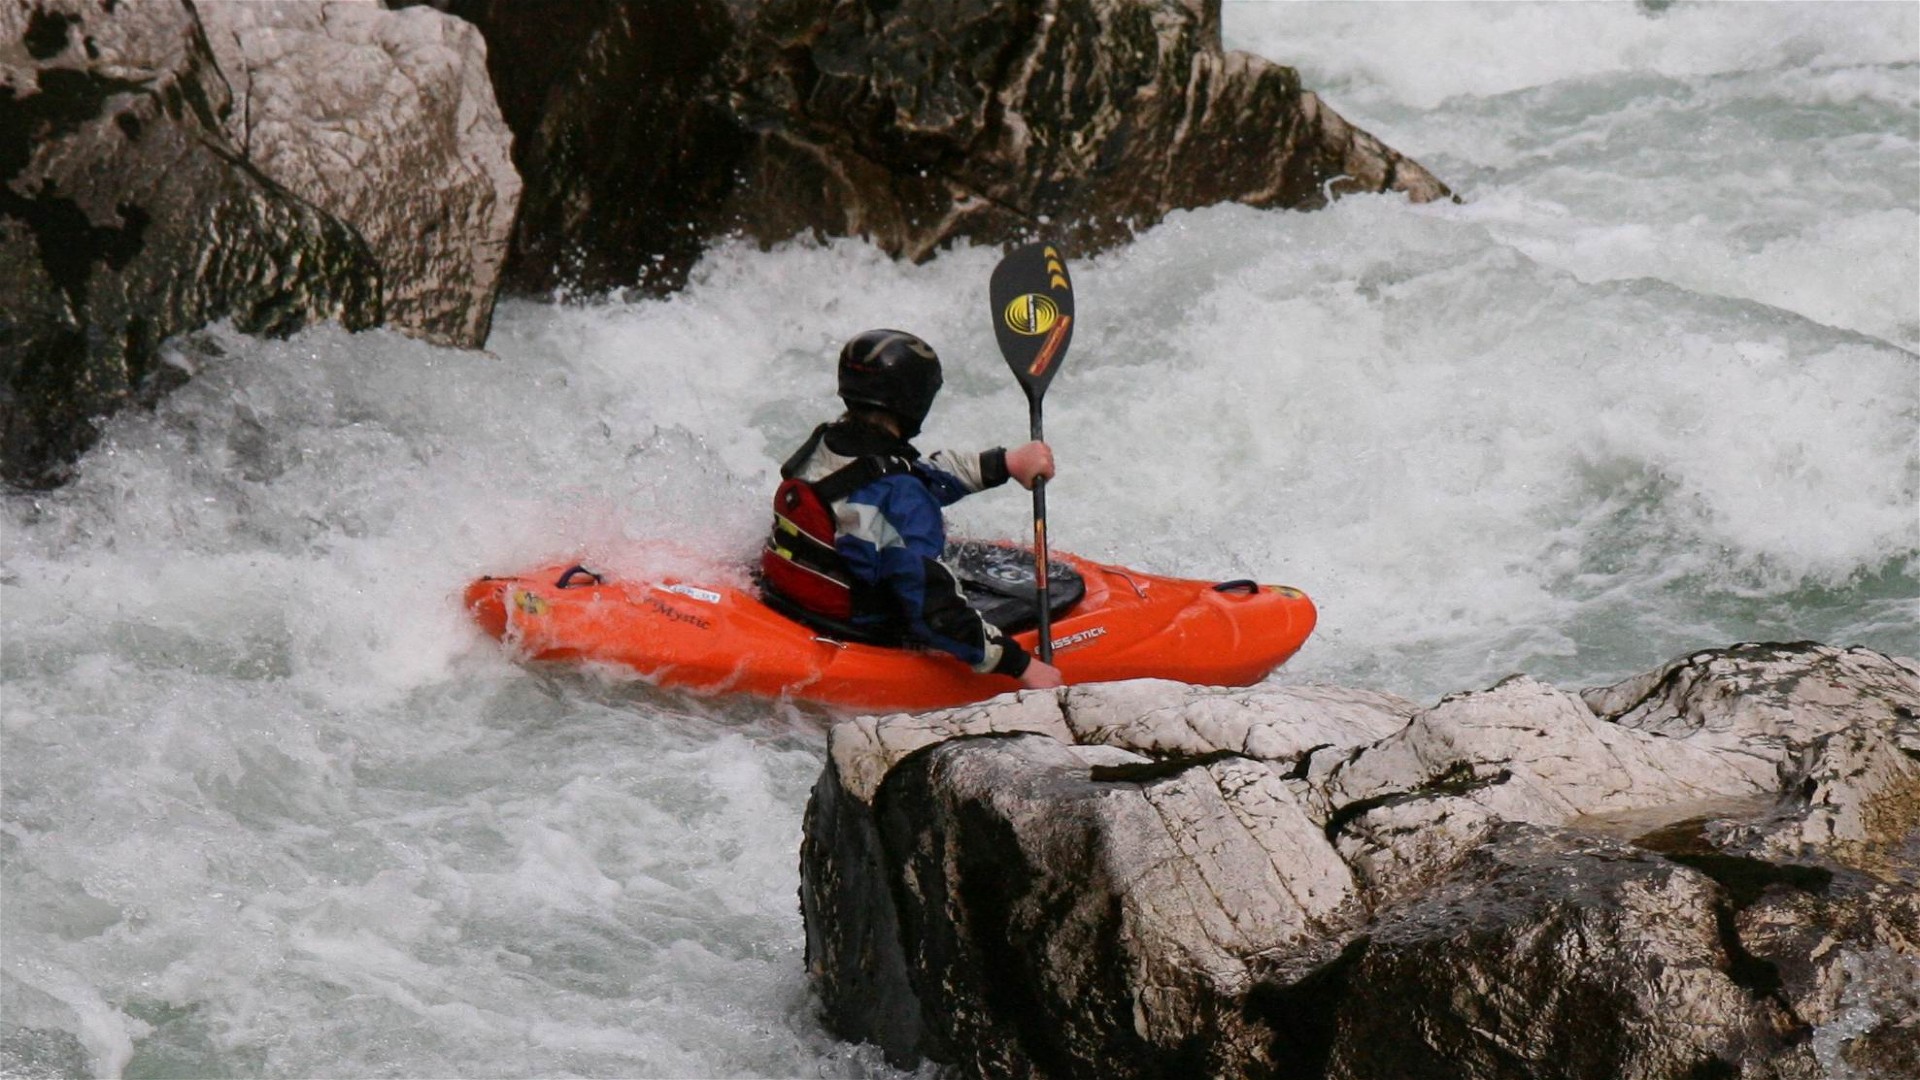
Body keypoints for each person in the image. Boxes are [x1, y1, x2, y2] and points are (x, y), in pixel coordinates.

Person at [762, 329, 1065, 690]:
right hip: (859, 623)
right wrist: (1020, 666)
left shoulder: (828, 442)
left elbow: (905, 476)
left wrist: (1005, 463)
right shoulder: (902, 497)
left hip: (796, 594)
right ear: (915, 401)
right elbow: (933, 612)